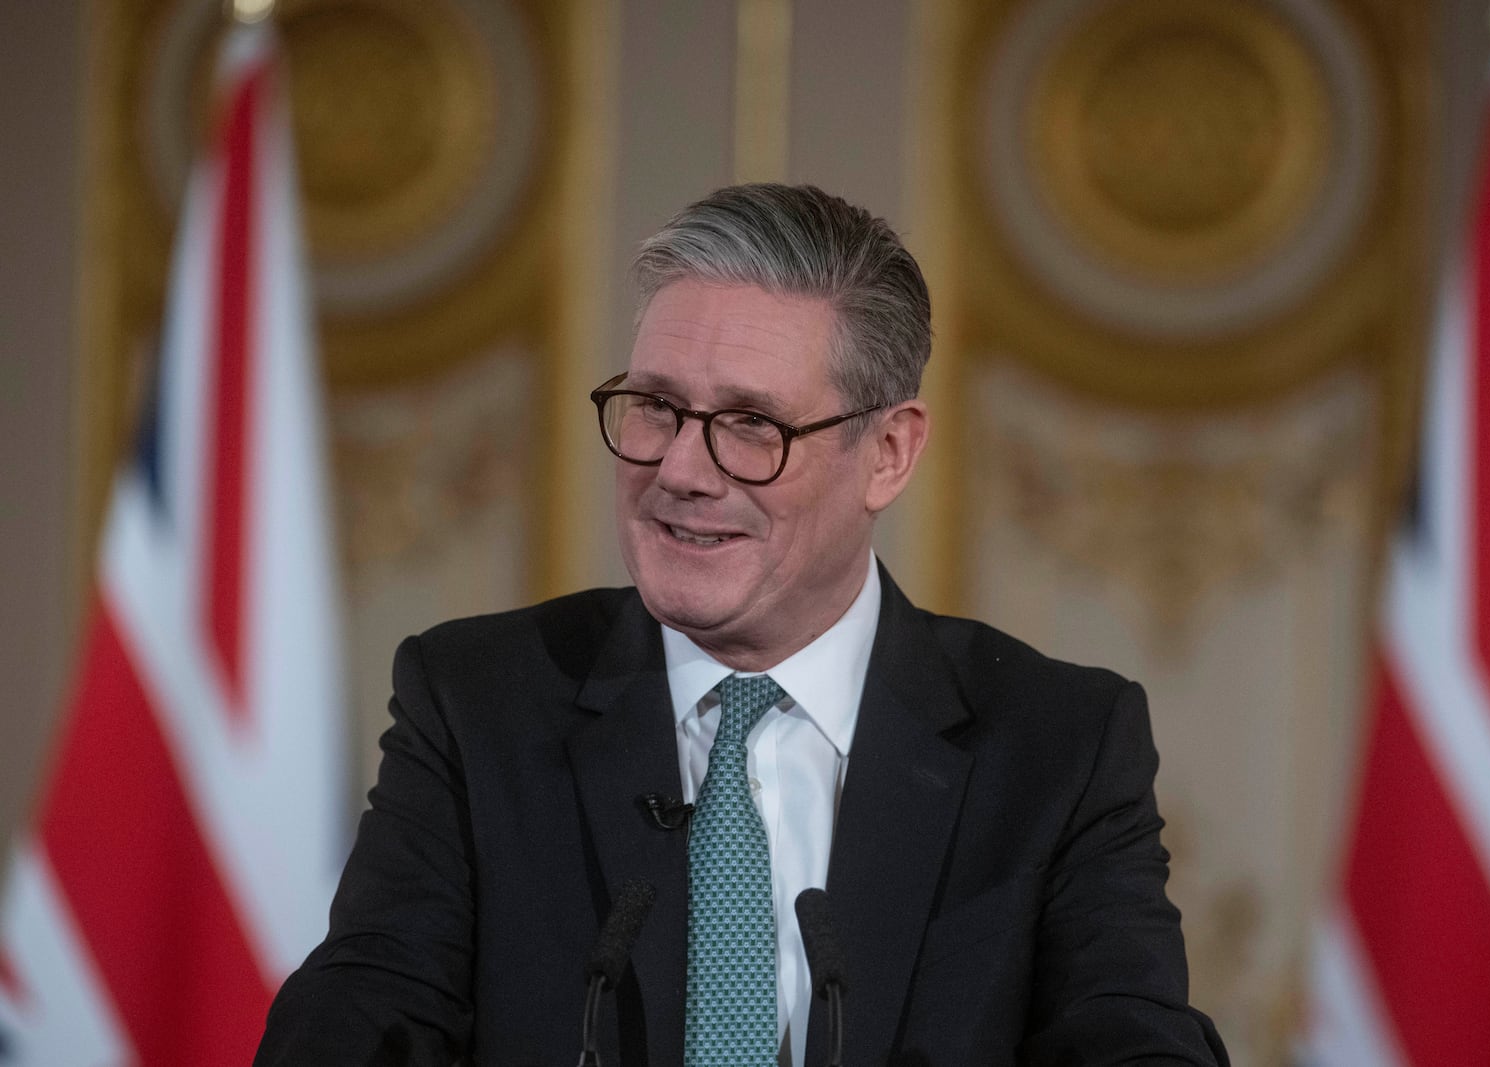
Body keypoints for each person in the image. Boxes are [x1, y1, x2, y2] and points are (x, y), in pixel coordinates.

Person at [256, 183, 1227, 1066]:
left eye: (752, 424)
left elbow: (1129, 1039)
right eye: (655, 407)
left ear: (887, 453)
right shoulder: (478, 702)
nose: (680, 467)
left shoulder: (1056, 746)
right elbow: (364, 1016)